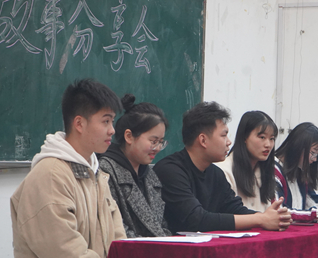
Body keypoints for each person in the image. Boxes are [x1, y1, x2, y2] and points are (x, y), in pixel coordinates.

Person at [10, 79, 127, 258]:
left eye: (112, 121)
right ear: (79, 124)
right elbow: (65, 253)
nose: (112, 130)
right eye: (106, 121)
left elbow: (117, 237)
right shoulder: (50, 175)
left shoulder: (95, 172)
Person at [154, 101, 292, 233]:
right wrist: (260, 219)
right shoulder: (170, 170)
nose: (229, 142)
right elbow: (196, 219)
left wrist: (269, 217)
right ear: (203, 140)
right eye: (224, 135)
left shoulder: (215, 173)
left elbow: (235, 209)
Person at [99, 94, 171, 238]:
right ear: (129, 136)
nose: (157, 148)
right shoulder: (106, 171)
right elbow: (116, 229)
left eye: (161, 142)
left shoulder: (149, 174)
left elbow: (162, 225)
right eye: (153, 141)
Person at [216, 110, 278, 213]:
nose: (268, 144)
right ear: (245, 137)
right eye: (262, 137)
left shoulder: (265, 172)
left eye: (272, 139)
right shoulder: (223, 171)